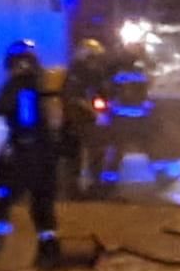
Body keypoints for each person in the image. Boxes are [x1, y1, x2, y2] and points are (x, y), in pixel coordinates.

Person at [0, 39, 64, 268]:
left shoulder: (17, 84)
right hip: (47, 153)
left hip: (21, 152)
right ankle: (49, 251)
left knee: (2, 195)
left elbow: (2, 107)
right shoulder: (46, 83)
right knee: (42, 204)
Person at [94, 38, 154, 189]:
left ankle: (108, 183)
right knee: (142, 148)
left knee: (118, 149)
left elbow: (109, 89)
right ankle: (109, 182)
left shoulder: (117, 68)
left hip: (123, 116)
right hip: (133, 116)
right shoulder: (135, 69)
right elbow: (145, 89)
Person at [61, 38, 107, 198]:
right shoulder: (76, 71)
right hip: (75, 118)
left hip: (91, 119)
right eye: (92, 56)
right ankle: (72, 190)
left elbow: (101, 92)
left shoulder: (97, 72)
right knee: (74, 155)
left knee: (97, 153)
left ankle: (96, 187)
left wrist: (102, 109)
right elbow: (74, 96)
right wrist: (93, 111)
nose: (95, 60)